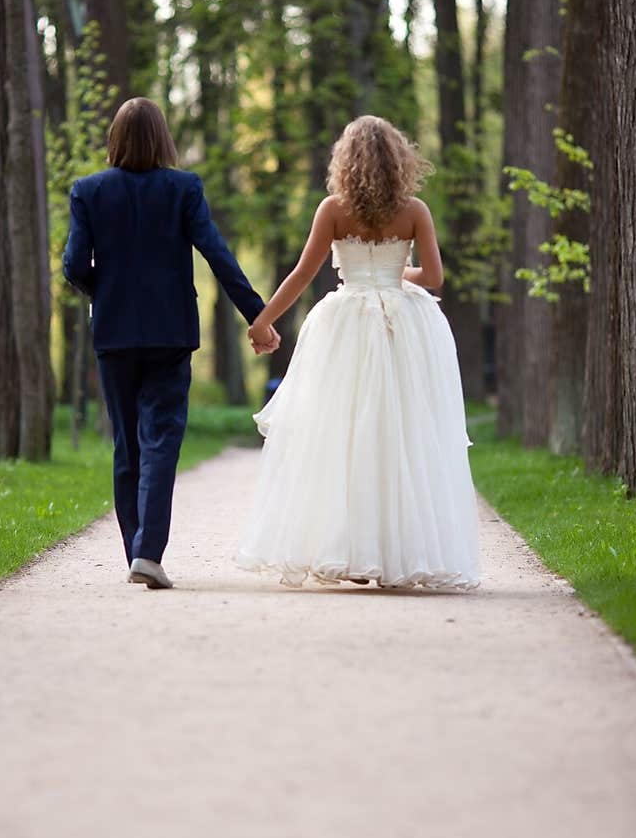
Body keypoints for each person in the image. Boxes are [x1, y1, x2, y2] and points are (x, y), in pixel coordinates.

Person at [238, 114, 481, 590]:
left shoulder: (333, 209)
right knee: (401, 438)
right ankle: (398, 553)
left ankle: (347, 550)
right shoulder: (415, 210)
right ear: (398, 160)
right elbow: (433, 278)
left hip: (345, 323)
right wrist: (397, 275)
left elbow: (303, 274)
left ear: (345, 162)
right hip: (402, 328)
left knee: (341, 436)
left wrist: (264, 319)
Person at [63, 97, 279, 590]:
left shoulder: (88, 191)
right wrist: (257, 316)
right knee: (161, 439)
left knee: (127, 446)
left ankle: (136, 551)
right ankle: (148, 552)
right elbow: (217, 254)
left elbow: (75, 266)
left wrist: (108, 290)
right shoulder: (183, 188)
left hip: (115, 335)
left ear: (114, 139)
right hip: (170, 333)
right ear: (164, 138)